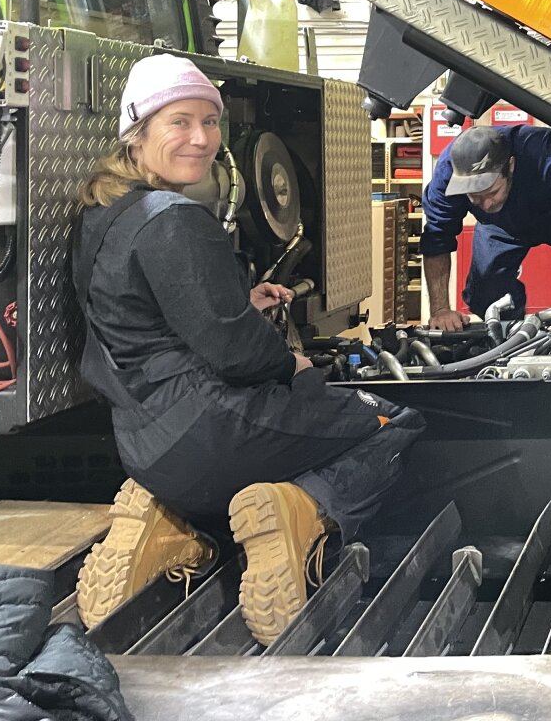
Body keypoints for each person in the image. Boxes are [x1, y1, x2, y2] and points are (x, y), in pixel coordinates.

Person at [72, 54, 423, 644]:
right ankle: (300, 517)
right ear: (138, 134)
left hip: (144, 446)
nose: (202, 139)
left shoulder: (105, 214)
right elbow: (238, 356)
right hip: (212, 431)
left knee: (275, 439)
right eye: (179, 122)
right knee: (388, 421)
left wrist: (239, 302)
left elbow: (151, 312)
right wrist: (293, 363)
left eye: (210, 123)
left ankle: (166, 520)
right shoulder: (176, 219)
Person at [422, 123, 551, 329]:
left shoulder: (548, 154)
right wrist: (440, 309)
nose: (485, 204)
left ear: (510, 165)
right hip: (498, 224)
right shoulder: (448, 173)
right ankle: (508, 344)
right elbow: (437, 237)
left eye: (491, 192)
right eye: (475, 197)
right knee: (485, 298)